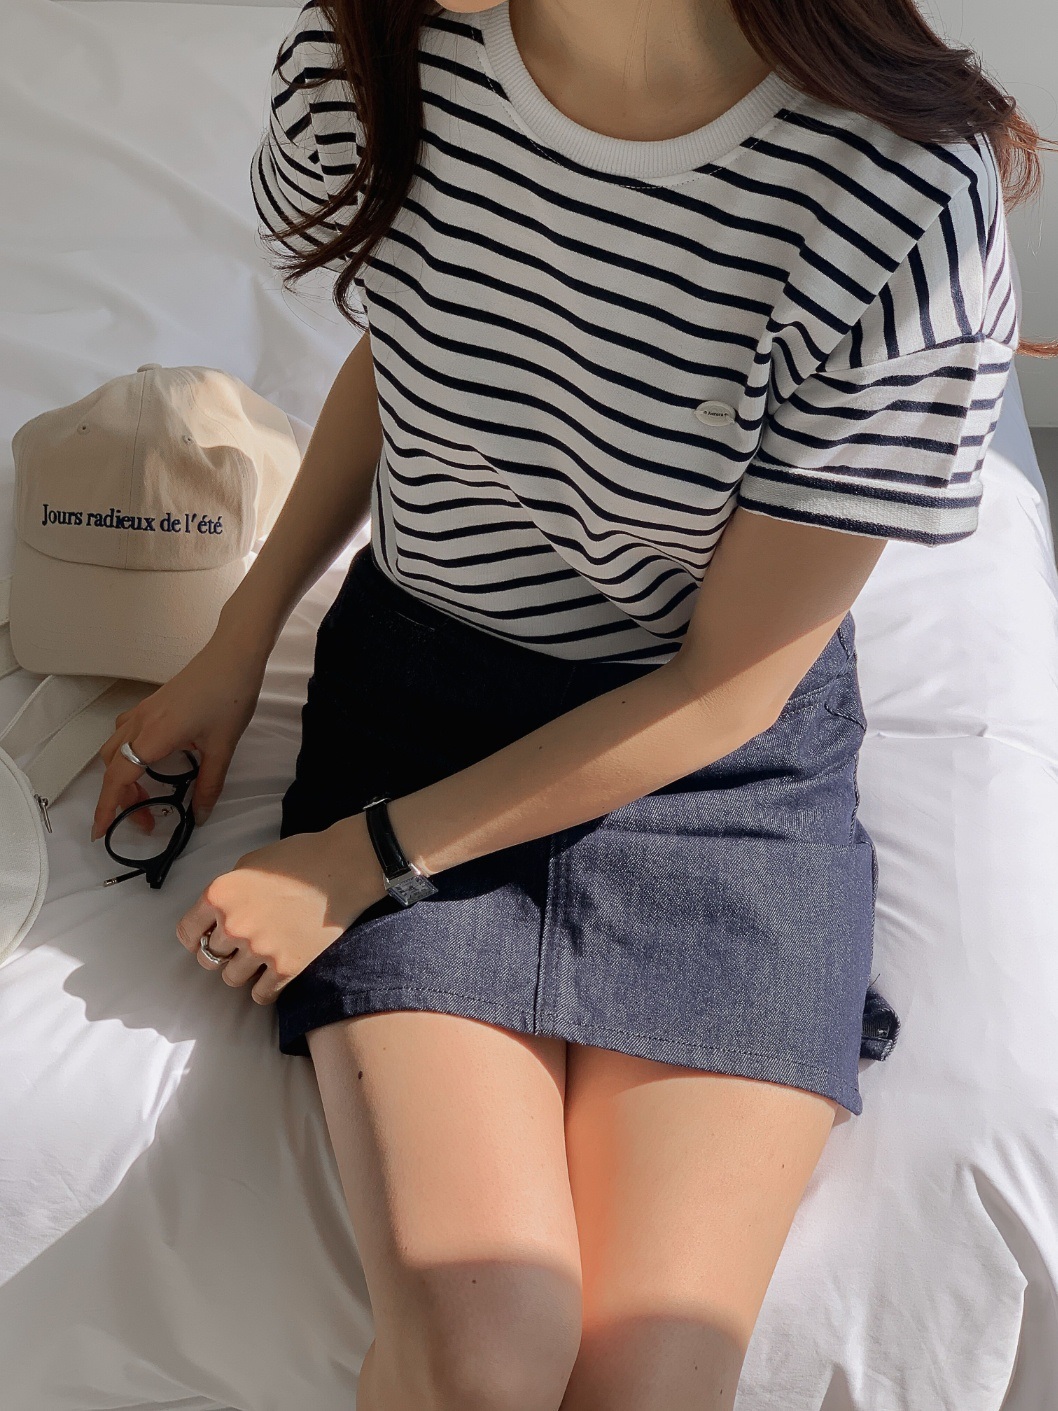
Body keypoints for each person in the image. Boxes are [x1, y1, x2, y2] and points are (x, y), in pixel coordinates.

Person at [91, 1, 1053, 1406]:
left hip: (713, 776)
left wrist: (353, 863)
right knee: (483, 1356)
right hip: (420, 706)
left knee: (647, 1382)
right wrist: (237, 647)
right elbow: (404, 358)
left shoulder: (901, 191)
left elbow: (726, 685)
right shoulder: (374, 48)